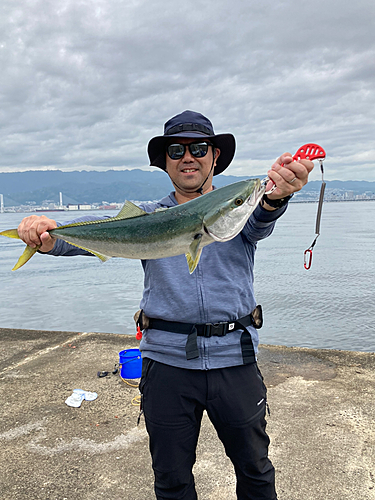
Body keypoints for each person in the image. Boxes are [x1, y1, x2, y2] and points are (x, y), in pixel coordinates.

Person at [17, 110, 314, 500]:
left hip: (235, 360)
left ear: (214, 157)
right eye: (177, 150)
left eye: (199, 148)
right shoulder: (150, 219)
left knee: (256, 471)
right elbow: (100, 228)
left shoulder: (236, 215)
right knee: (171, 479)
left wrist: (277, 195)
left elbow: (260, 216)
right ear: (166, 161)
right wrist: (48, 234)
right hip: (167, 366)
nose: (188, 156)